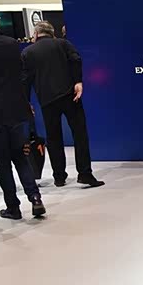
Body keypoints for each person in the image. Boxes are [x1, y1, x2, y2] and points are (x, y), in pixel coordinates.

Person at [0, 5, 46, 219]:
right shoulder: (11, 43)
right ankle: (35, 197)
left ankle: (13, 207)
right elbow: (21, 77)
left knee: (2, 163)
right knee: (20, 157)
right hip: (17, 109)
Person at [21, 21, 104, 188]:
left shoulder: (28, 52)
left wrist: (26, 102)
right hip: (69, 96)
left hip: (46, 100)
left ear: (36, 34)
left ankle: (59, 176)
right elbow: (76, 60)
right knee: (79, 134)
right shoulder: (63, 44)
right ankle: (85, 174)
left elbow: (25, 79)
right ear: (52, 33)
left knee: (53, 138)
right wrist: (78, 81)